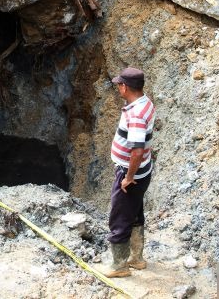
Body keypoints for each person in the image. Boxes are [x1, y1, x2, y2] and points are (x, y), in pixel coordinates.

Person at [94, 67, 155, 278]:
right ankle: (136, 258)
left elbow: (137, 151)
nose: (118, 88)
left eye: (119, 84)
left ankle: (119, 266)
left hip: (131, 175)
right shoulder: (145, 103)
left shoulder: (136, 114)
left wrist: (128, 177)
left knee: (119, 218)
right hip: (143, 172)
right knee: (135, 213)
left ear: (125, 87)